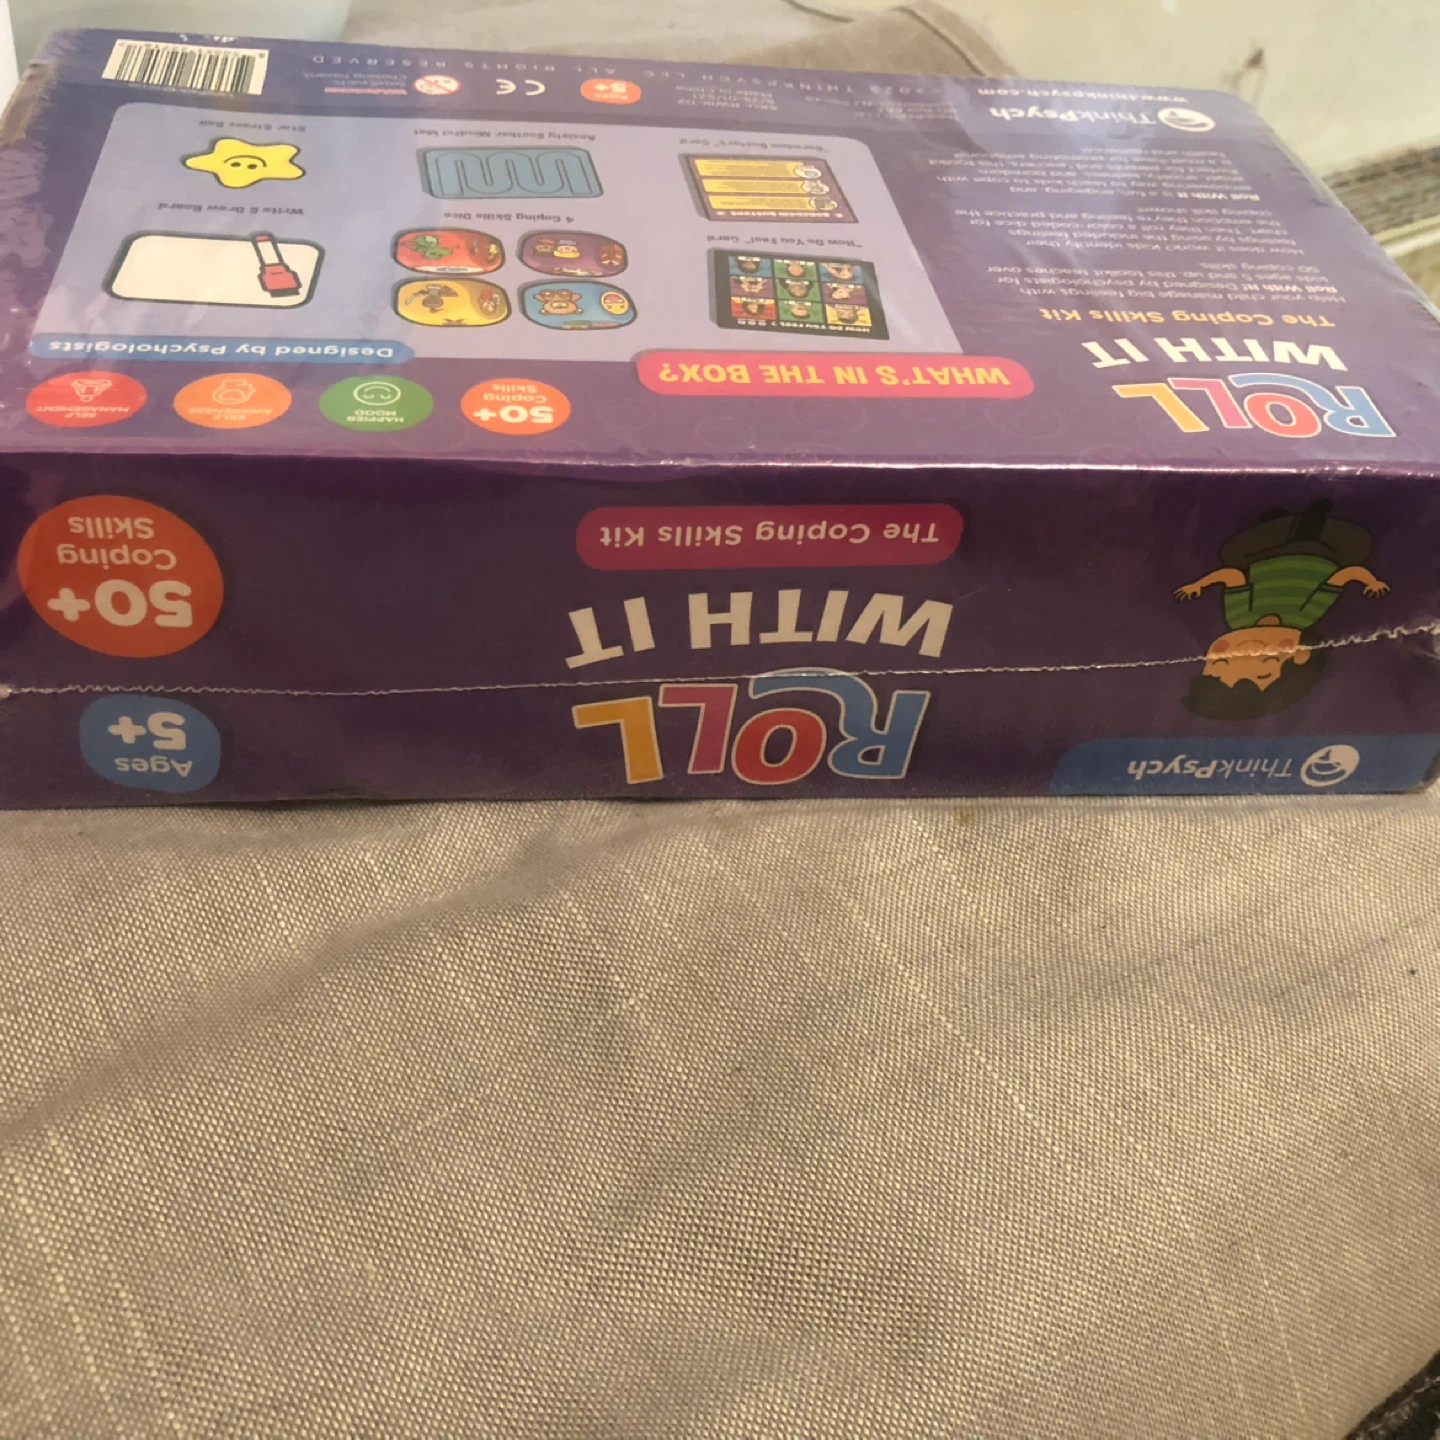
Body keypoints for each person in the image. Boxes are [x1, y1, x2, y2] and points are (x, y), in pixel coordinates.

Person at [1173, 499, 1388, 720]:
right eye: (1267, 661)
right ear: (1301, 654)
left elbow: (1233, 576)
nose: (1248, 650)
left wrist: (1198, 585)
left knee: (1236, 552)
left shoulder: (1239, 618)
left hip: (1261, 558)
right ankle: (1303, 521)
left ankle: (1282, 522)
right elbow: (1344, 575)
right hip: (1321, 553)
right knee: (1345, 544)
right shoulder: (1305, 615)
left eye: (1221, 661)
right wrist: (1371, 582)